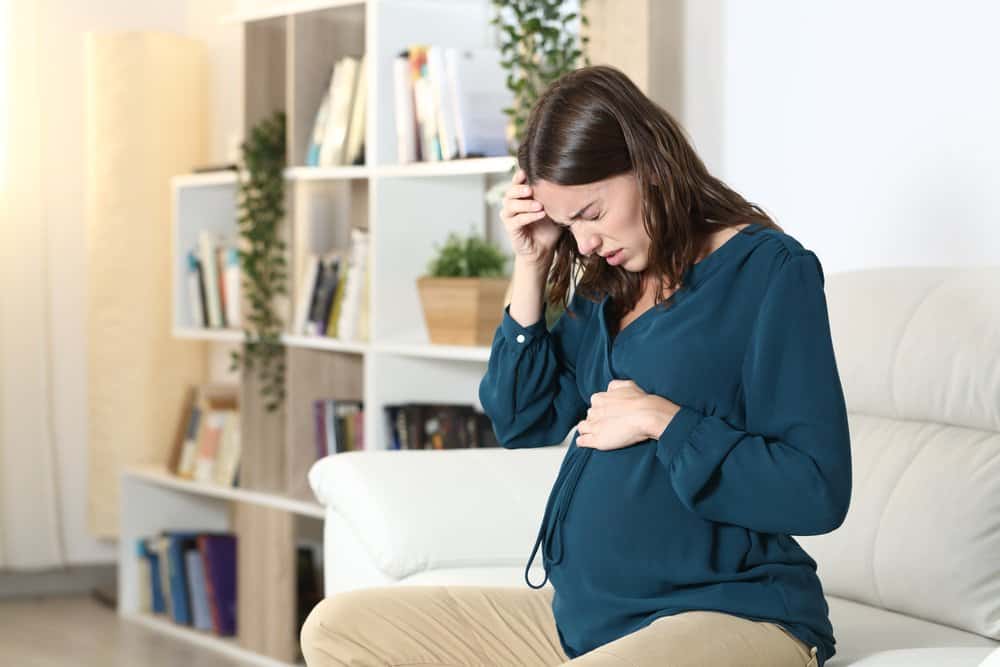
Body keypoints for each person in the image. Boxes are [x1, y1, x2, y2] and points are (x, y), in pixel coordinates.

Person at [300, 64, 850, 667]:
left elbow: (817, 490)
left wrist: (664, 420)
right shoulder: (605, 288)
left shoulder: (769, 273)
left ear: (650, 163)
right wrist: (532, 264)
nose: (584, 242)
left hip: (731, 613)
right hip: (588, 623)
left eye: (590, 212)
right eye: (568, 225)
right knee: (339, 628)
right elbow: (522, 421)